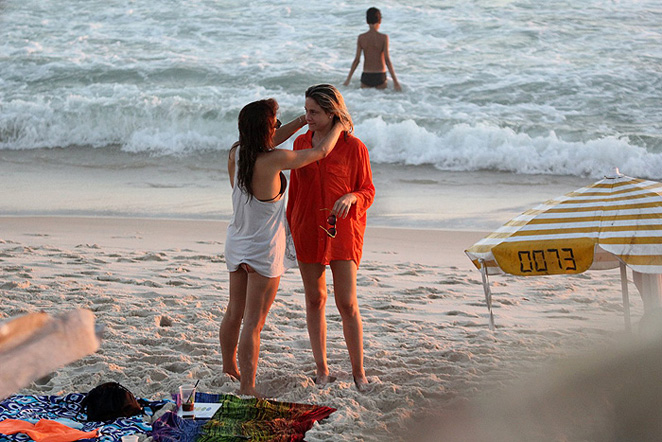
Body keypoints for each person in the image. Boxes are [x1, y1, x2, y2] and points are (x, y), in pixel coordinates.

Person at [220, 98, 346, 397]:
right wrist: (338, 124)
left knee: (234, 312)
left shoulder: (237, 153)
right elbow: (320, 152)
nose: (278, 128)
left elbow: (266, 140)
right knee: (253, 323)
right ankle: (248, 387)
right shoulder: (275, 160)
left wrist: (303, 121)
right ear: (266, 130)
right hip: (264, 249)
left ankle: (229, 369)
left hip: (237, 242)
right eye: (274, 124)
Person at [286, 84, 375, 390]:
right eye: (306, 110)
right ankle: (322, 370)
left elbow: (368, 190)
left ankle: (358, 372)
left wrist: (353, 197)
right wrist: (289, 226)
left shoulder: (354, 147)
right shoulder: (301, 142)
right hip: (307, 228)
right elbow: (294, 192)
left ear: (331, 112)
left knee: (347, 302)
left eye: (314, 112)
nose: (307, 116)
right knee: (315, 299)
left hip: (344, 231)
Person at [343, 7, 402, 91]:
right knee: (380, 101)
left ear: (367, 21)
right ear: (380, 20)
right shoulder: (383, 38)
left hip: (366, 76)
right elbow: (387, 60)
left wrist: (348, 79)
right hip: (380, 76)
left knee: (365, 101)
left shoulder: (361, 37)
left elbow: (357, 60)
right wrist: (396, 82)